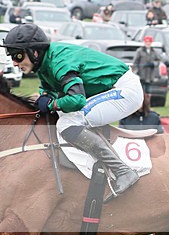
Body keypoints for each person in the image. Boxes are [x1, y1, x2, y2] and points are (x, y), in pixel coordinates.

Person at [1, 23, 143, 196]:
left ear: (35, 52)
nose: (14, 62)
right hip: (111, 88)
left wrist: (52, 104)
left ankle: (122, 171)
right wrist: (45, 95)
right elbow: (48, 88)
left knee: (68, 123)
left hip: (124, 91)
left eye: (18, 55)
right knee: (63, 115)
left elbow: (77, 100)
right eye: (12, 57)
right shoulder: (45, 63)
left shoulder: (60, 61)